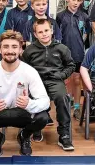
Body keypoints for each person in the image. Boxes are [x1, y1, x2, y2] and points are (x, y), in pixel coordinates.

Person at [0, 30, 50, 157]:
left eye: (14, 47)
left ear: (20, 50)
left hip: (21, 113)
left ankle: (24, 137)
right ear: (0, 50)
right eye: (6, 47)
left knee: (43, 117)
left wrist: (29, 103)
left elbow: (45, 101)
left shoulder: (30, 71)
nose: (10, 51)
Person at [22, 19, 75, 151]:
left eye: (46, 30)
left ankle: (64, 134)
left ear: (51, 31)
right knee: (30, 99)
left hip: (55, 80)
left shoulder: (62, 48)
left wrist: (61, 75)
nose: (44, 34)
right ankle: (36, 128)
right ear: (35, 34)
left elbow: (71, 65)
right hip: (36, 82)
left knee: (62, 98)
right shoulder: (29, 50)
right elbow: (23, 67)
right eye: (40, 32)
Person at [56, 0, 91, 119]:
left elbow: (86, 36)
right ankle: (66, 104)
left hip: (78, 54)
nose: (76, 2)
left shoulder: (84, 17)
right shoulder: (60, 16)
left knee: (77, 80)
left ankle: (77, 107)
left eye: (79, 0)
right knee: (66, 80)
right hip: (63, 54)